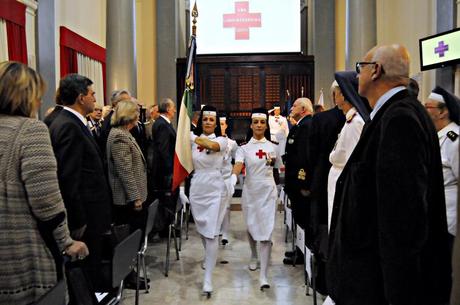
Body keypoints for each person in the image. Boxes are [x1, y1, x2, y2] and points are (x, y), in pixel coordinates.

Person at [327, 44, 452, 305]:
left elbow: (402, 221)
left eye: (360, 68)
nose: (357, 75)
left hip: (378, 287)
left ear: (376, 71)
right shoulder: (391, 113)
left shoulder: (399, 119)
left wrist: (398, 296)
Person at [0, 61, 88, 304]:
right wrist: (67, 242)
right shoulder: (31, 130)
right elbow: (45, 199)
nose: (40, 102)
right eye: (37, 95)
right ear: (25, 95)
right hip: (20, 257)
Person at [49, 74, 112, 290]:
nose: (95, 99)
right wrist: (77, 221)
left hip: (90, 211)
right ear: (80, 97)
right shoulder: (68, 125)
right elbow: (68, 177)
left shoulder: (72, 122)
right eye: (92, 94)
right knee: (86, 272)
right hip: (85, 215)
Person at [231, 108, 280, 290]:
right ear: (251, 125)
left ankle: (264, 276)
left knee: (266, 232)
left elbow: (279, 168)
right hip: (251, 191)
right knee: (251, 226)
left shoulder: (273, 146)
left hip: (268, 191)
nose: (259, 125)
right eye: (256, 122)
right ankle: (254, 255)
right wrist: (232, 178)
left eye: (262, 122)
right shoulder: (243, 147)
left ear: (266, 125)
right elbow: (238, 165)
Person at [106, 99, 149, 289]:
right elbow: (125, 171)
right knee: (127, 240)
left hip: (132, 197)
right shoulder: (118, 137)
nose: (138, 118)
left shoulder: (124, 134)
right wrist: (135, 197)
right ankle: (128, 276)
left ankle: (131, 273)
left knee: (132, 239)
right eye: (136, 114)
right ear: (128, 116)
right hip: (126, 200)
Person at [189, 105, 228, 296]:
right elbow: (185, 165)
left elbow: (212, 147)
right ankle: (208, 257)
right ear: (201, 121)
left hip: (215, 187)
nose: (208, 122)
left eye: (212, 120)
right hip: (197, 187)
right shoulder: (191, 141)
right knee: (203, 231)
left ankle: (208, 278)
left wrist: (192, 137)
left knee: (212, 232)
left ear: (216, 123)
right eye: (205, 119)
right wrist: (181, 188)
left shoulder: (222, 140)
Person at [327, 72, 369, 231]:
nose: (333, 98)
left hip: (344, 182)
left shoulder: (355, 122)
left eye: (335, 94)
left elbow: (353, 162)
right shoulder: (349, 120)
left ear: (343, 95)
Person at [424, 86, 459, 255]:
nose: (424, 111)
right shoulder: (436, 135)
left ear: (443, 112)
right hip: (435, 214)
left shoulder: (454, 139)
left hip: (449, 217)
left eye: (428, 107)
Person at [282, 97, 314, 264]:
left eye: (294, 105)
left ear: (303, 109)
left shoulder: (307, 126)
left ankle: (303, 255)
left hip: (300, 184)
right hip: (295, 183)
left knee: (303, 221)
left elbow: (305, 158)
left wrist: (304, 183)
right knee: (299, 219)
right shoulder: (300, 126)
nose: (291, 108)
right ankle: (299, 250)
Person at [151, 98, 177, 233]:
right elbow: (163, 150)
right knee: (166, 201)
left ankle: (168, 227)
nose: (175, 110)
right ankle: (165, 230)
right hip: (164, 172)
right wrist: (170, 171)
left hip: (165, 170)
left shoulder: (163, 123)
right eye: (173, 108)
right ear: (167, 109)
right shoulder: (162, 124)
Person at [219, 116, 238, 245]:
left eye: (223, 124)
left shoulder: (232, 143)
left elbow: (237, 160)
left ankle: (225, 233)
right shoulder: (211, 141)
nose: (221, 126)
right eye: (219, 123)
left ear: (226, 126)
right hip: (214, 179)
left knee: (226, 207)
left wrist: (233, 176)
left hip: (226, 178)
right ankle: (217, 229)